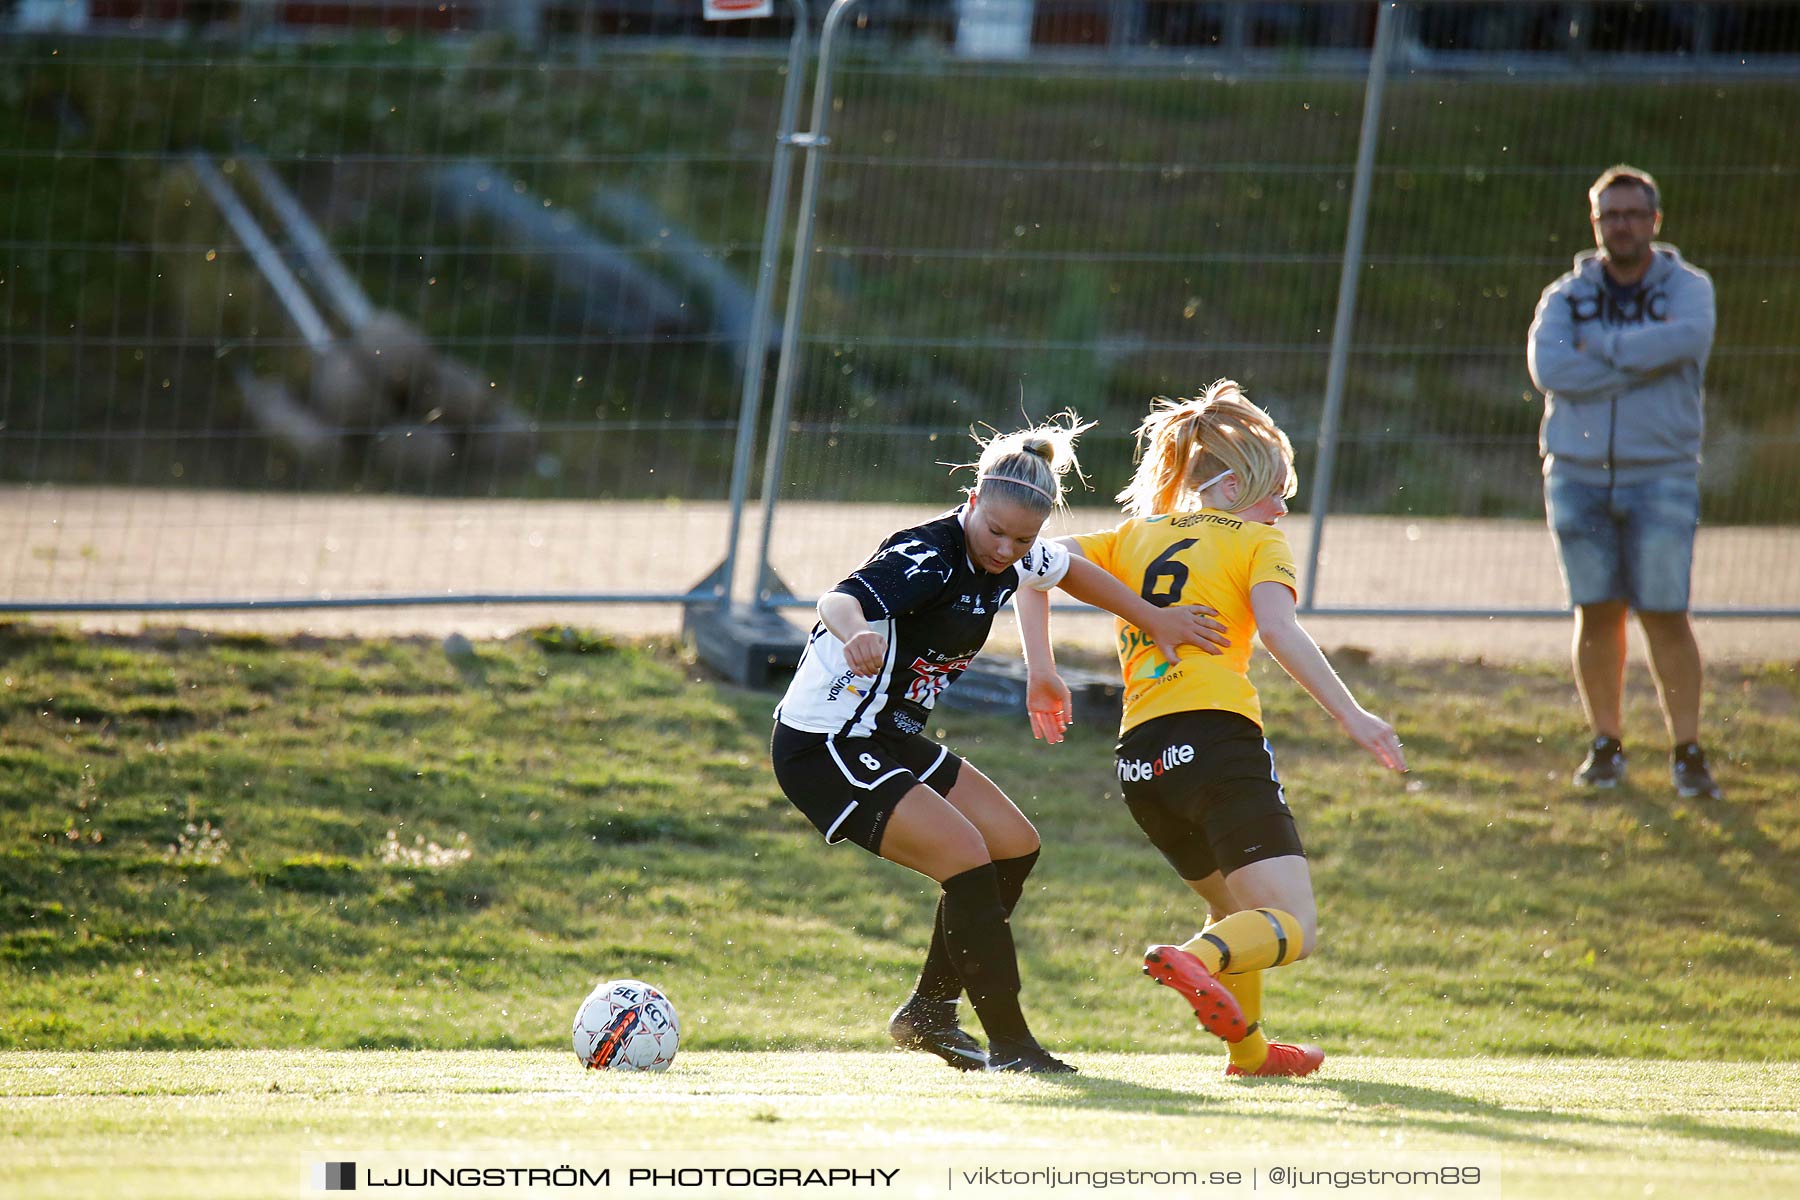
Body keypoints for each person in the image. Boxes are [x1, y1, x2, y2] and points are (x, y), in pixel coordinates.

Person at [770, 413, 1229, 1074]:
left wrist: (1130, 629)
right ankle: (1013, 1044)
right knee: (965, 856)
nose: (1007, 550)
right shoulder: (928, 556)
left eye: (1023, 538)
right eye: (996, 532)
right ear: (971, 501)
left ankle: (928, 1011)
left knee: (1015, 845)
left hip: (889, 735)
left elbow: (1064, 572)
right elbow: (838, 600)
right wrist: (854, 635)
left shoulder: (1013, 549)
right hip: (828, 743)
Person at [1013, 383, 1406, 1079]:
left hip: (1141, 764)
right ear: (1228, 487)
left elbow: (1031, 565)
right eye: (1273, 491)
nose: (1283, 508)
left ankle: (1250, 1055)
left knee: (1237, 912)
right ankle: (1194, 961)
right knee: (1294, 928)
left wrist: (1042, 671)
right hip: (1218, 743)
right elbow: (1281, 632)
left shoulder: (1132, 535)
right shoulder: (1260, 541)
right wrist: (1353, 715)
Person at [1527, 164, 1720, 799]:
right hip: (1578, 477)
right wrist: (1642, 358)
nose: (1623, 225)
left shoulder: (1690, 289)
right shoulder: (1563, 296)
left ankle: (1687, 751)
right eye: (1611, 215)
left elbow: (1687, 339)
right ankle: (1605, 744)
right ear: (1595, 222)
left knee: (1666, 613)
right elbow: (1550, 367)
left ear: (1654, 220)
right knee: (1596, 612)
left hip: (1660, 476)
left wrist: (1599, 351)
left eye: (1634, 213)